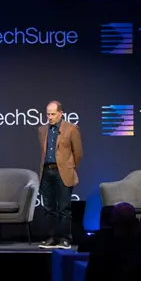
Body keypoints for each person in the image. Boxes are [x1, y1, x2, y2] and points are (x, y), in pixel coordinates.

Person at [37, 100, 83, 249]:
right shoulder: (42, 130)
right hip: (46, 171)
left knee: (64, 208)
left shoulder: (71, 129)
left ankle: (65, 239)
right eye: (48, 114)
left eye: (53, 114)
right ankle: (52, 237)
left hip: (63, 171)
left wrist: (69, 166)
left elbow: (78, 153)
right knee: (49, 208)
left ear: (60, 114)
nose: (49, 117)